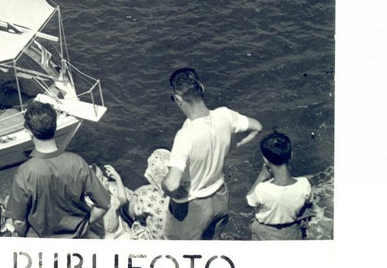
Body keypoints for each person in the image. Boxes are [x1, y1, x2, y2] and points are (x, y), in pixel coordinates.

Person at [162, 67, 261, 241]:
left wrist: (162, 184)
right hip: (220, 197)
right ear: (202, 88)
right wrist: (232, 146)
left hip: (192, 207)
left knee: (180, 254)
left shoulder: (185, 135)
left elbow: (171, 185)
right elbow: (256, 127)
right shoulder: (225, 115)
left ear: (178, 99)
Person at [4, 98, 111, 238]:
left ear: (29, 132)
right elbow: (104, 204)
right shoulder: (77, 162)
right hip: (76, 241)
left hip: (41, 248)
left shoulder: (25, 171)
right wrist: (85, 223)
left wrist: (24, 236)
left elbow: (18, 221)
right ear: (54, 126)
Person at [246, 131, 312, 240]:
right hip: (292, 232)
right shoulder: (304, 184)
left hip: (265, 234)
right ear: (291, 154)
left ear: (265, 159)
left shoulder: (262, 189)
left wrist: (261, 177)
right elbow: (308, 203)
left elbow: (249, 202)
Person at [102, 149, 170, 240]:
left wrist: (137, 193)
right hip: (169, 237)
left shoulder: (147, 197)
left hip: (152, 240)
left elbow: (131, 212)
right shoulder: (184, 193)